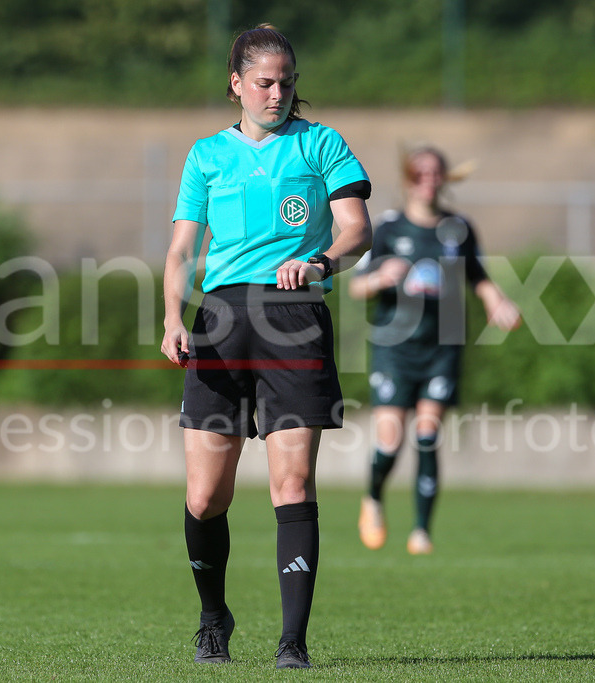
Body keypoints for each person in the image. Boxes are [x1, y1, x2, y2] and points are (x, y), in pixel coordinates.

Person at [160, 24, 372, 669]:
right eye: (264, 82)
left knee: (293, 481)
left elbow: (357, 230)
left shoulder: (323, 143)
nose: (278, 92)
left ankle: (292, 643)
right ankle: (212, 616)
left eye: (286, 81)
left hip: (294, 319)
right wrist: (173, 316)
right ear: (237, 85)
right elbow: (179, 251)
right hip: (220, 320)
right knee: (205, 497)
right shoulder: (206, 156)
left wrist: (322, 263)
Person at [349, 145, 520, 555]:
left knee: (427, 435)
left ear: (445, 179)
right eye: (420, 173)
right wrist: (378, 279)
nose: (429, 180)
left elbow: (478, 275)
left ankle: (421, 531)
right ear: (408, 179)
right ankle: (373, 498)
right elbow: (355, 287)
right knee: (390, 440)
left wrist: (495, 299)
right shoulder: (388, 229)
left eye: (435, 173)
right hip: (394, 348)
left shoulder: (457, 228)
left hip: (442, 347)